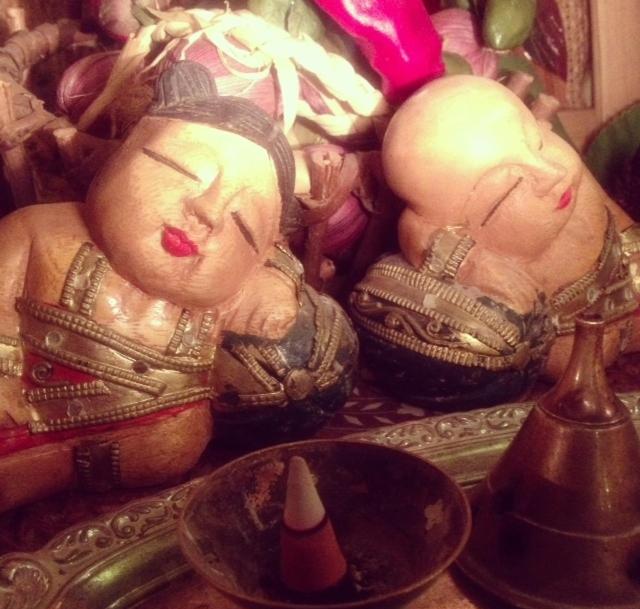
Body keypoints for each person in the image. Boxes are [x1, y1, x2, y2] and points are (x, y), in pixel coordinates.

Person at [0, 61, 356, 510]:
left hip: (130, 428)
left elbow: (281, 274)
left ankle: (52, 467)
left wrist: (280, 284)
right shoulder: (41, 231)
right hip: (14, 397)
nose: (208, 211)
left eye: (242, 223)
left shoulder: (227, 299)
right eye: (181, 171)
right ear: (126, 149)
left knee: (176, 442)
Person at [351, 75, 639, 409]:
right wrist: (480, 266)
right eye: (509, 191)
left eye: (539, 142)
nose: (552, 173)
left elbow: (616, 218)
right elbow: (421, 239)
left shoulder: (560, 170)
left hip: (621, 271)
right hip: (573, 331)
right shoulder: (435, 233)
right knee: (587, 354)